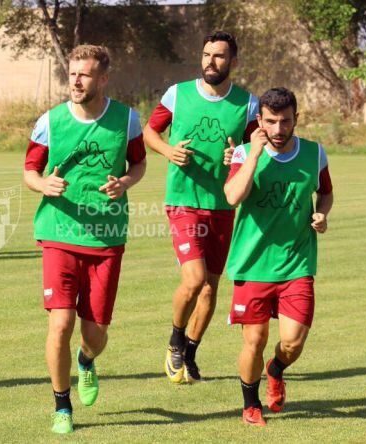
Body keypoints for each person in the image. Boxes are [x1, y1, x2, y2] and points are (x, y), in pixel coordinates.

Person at [24, 44, 146, 434]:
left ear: (103, 78)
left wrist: (125, 180)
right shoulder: (50, 121)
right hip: (58, 233)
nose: (76, 80)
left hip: (106, 237)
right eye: (72, 73)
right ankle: (62, 406)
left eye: (85, 74)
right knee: (60, 323)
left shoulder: (126, 120)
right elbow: (29, 170)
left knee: (94, 333)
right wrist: (44, 184)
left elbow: (139, 162)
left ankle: (87, 361)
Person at [142, 31, 259, 383]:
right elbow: (150, 132)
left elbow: (258, 151)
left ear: (233, 62)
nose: (210, 61)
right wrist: (167, 151)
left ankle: (190, 354)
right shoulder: (178, 95)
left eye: (219, 56)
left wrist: (236, 155)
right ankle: (175, 341)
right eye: (206, 54)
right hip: (183, 201)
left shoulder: (248, 104)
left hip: (222, 205)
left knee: (210, 287)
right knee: (193, 281)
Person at [223, 87, 334, 426]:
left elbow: (326, 193)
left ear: (295, 119)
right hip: (253, 265)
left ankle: (277, 369)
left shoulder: (314, 153)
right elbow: (232, 196)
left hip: (296, 262)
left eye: (285, 121)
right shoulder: (243, 154)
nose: (278, 129)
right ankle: (250, 404)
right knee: (254, 341)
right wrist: (254, 156)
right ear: (260, 121)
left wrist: (321, 214)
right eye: (270, 121)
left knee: (292, 341)